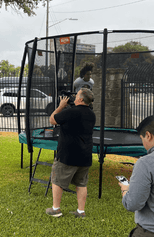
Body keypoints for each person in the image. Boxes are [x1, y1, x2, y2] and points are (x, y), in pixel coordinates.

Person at [45, 88, 96, 218]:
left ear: (80, 99)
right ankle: (81, 211)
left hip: (67, 155)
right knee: (81, 184)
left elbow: (52, 120)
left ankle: (56, 209)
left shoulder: (71, 112)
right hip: (85, 155)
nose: (74, 97)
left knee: (57, 180)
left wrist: (61, 106)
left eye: (76, 95)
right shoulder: (91, 114)